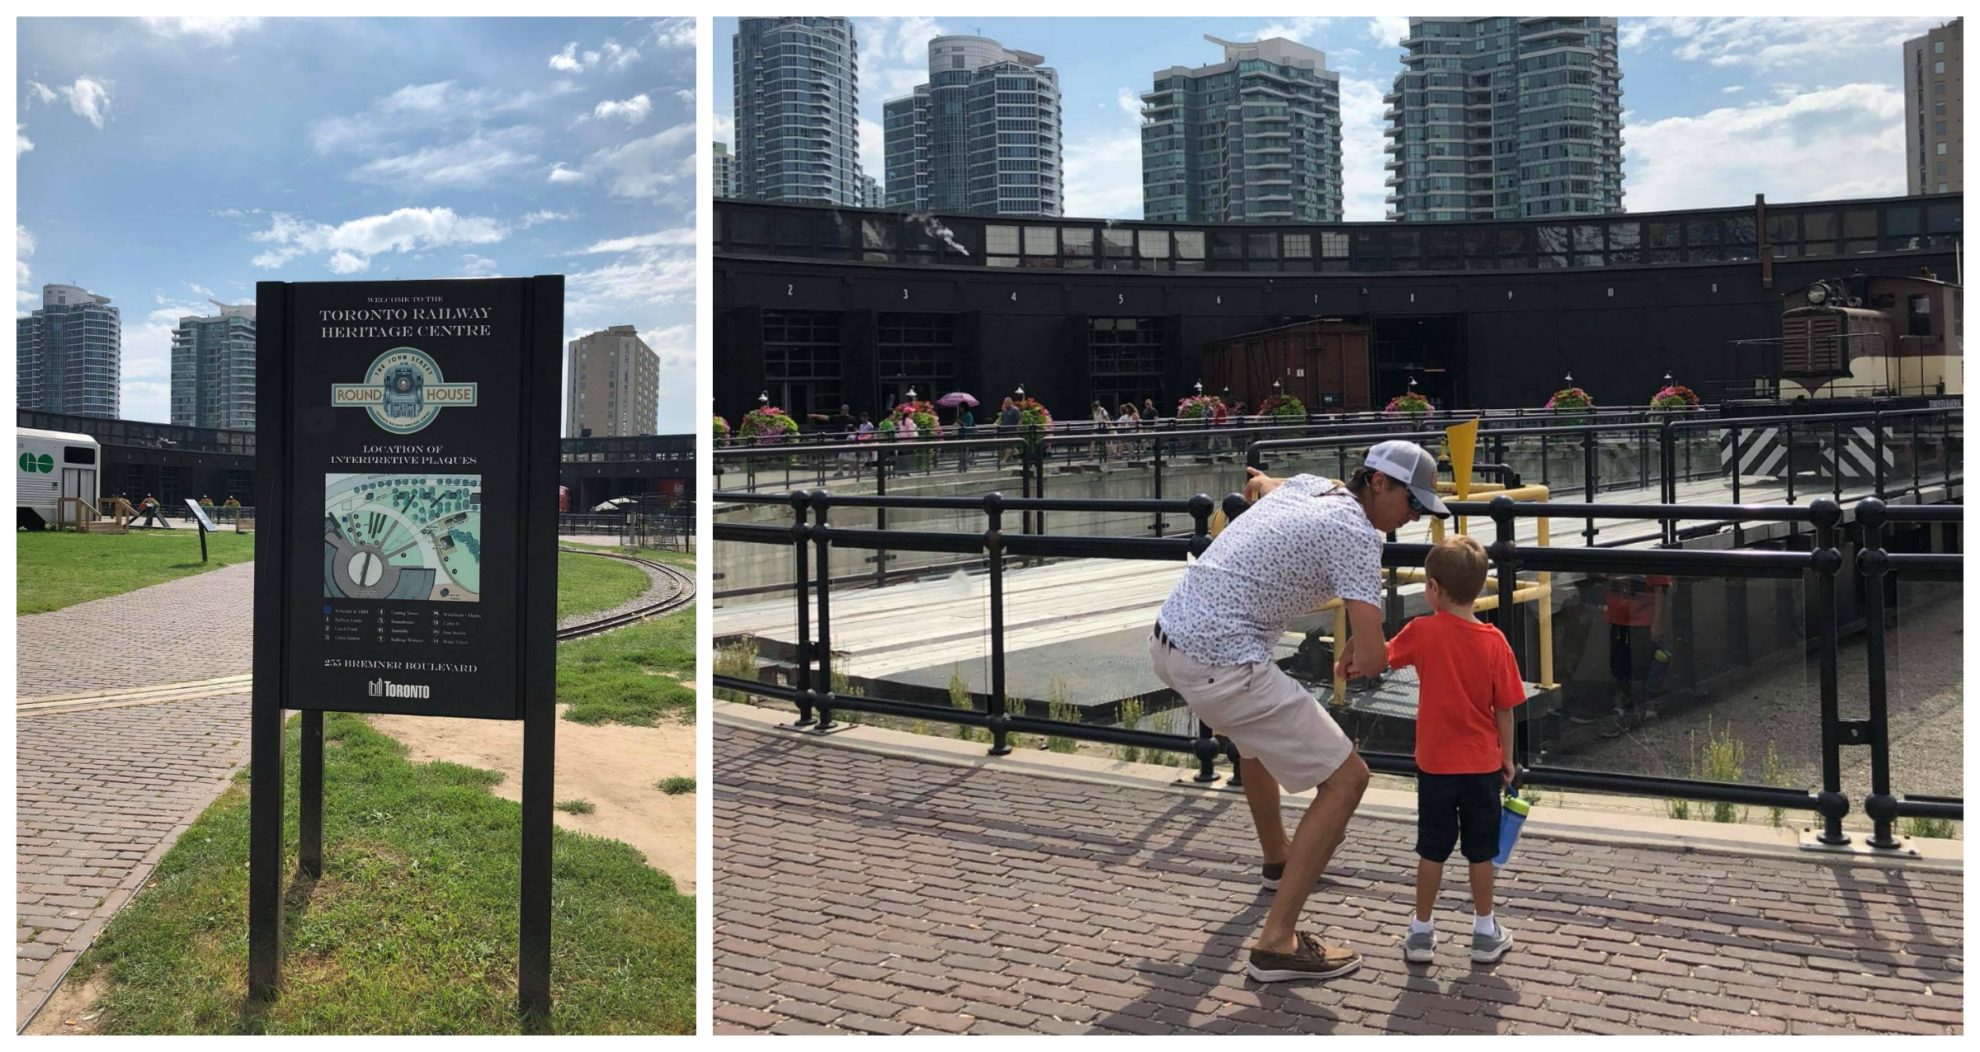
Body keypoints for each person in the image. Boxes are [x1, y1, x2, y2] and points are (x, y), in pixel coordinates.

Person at [1150, 440, 1448, 982]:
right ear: (1378, 483)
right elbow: (1377, 659)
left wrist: (1256, 484)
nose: (1413, 517)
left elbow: (1264, 485)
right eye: (1413, 503)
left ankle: (1278, 860)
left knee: (1252, 737)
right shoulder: (1357, 533)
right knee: (1347, 780)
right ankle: (1278, 942)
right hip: (1223, 659)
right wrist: (1367, 651)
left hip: (1171, 637)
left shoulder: (1315, 485)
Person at [1383, 535, 1526, 966]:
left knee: (1432, 848)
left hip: (1435, 763)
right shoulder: (1495, 641)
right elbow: (1505, 709)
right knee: (1481, 851)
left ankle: (1422, 931)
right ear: (1481, 588)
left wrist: (1350, 659)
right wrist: (1506, 758)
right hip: (1482, 763)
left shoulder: (1423, 631)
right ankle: (1484, 930)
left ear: (1432, 588)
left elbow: (1384, 658)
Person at [1598, 573, 1672, 736]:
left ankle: (1648, 711)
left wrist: (1657, 623)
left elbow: (1660, 589)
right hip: (1618, 617)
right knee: (1620, 668)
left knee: (1643, 667)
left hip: (1642, 620)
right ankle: (1622, 712)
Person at [997, 397, 1021, 466]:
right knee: (1011, 446)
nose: (1005, 404)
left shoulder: (1015, 410)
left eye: (1006, 403)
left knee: (1009, 446)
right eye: (1004, 403)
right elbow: (1001, 420)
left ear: (1010, 402)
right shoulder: (1004, 411)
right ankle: (1017, 458)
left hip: (1012, 431)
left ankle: (1004, 460)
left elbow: (1019, 420)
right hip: (1004, 431)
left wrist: (1018, 428)